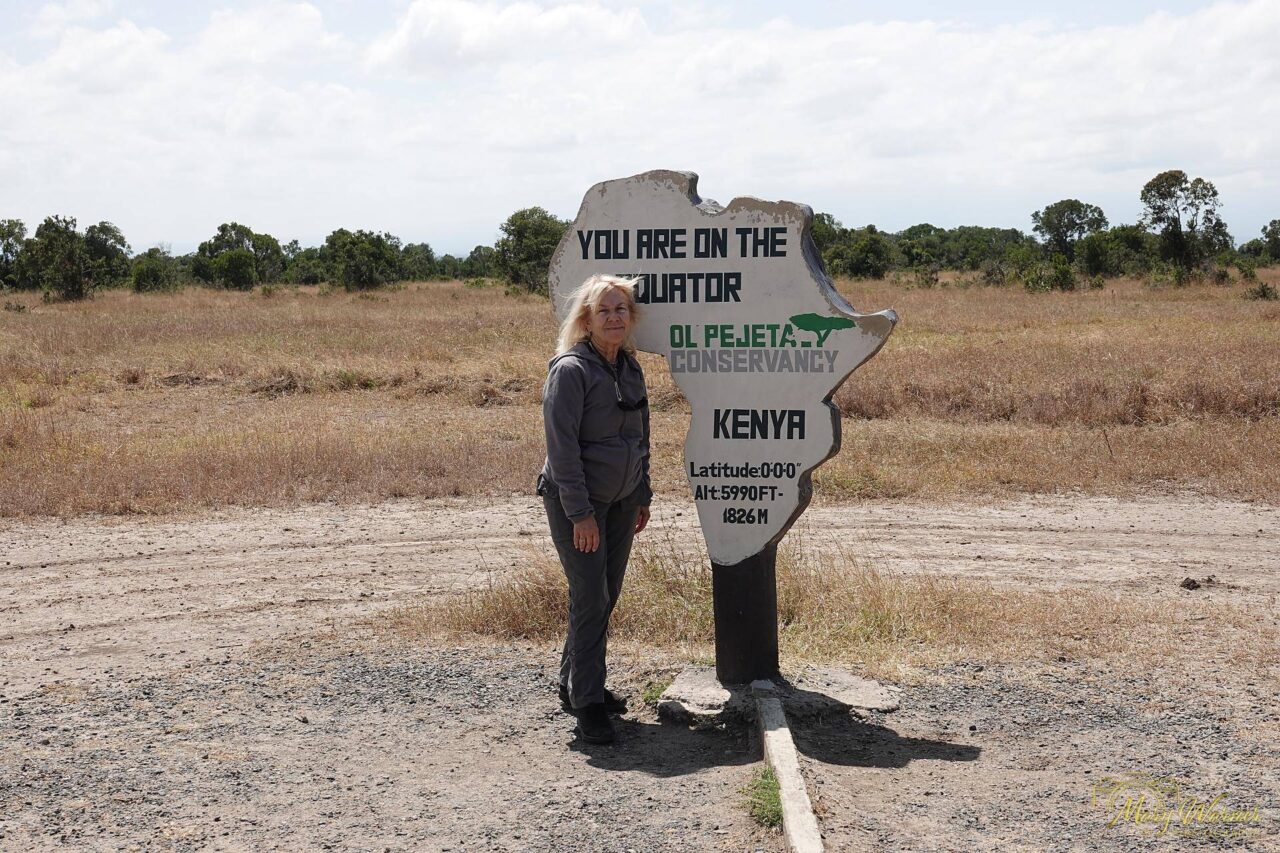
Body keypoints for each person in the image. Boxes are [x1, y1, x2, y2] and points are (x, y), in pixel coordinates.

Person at [537, 273, 652, 745]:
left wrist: (642, 493)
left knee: (603, 594)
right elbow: (562, 450)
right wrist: (580, 513)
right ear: (586, 319)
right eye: (604, 310)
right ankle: (588, 705)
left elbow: (641, 437)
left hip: (623, 501)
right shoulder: (570, 370)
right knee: (591, 597)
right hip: (578, 505)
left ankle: (575, 683)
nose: (614, 317)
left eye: (621, 309)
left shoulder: (629, 367)